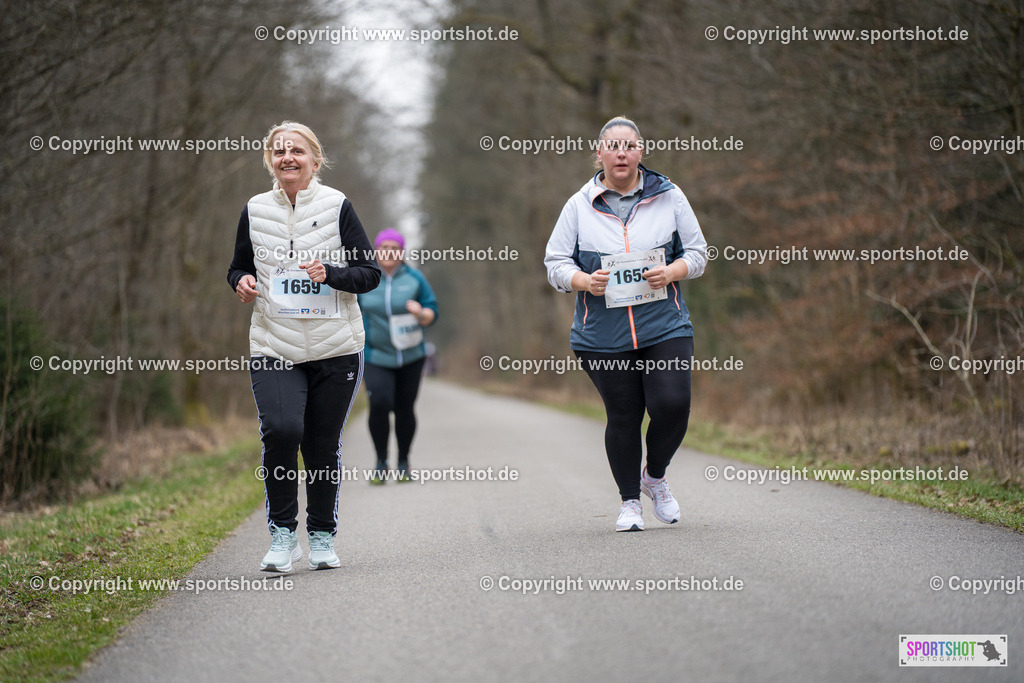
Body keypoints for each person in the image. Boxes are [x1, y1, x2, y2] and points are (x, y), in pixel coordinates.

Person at [227, 121, 381, 570]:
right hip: (275, 343)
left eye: (296, 151)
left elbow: (368, 274)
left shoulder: (337, 207)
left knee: (320, 444)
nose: (287, 158)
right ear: (270, 161)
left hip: (336, 347)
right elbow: (237, 266)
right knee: (281, 430)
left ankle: (320, 536)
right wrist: (242, 281)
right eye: (278, 152)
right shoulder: (255, 210)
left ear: (315, 159)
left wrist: (331, 273)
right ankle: (281, 535)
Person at [544, 115, 708, 532]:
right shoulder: (578, 205)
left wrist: (673, 272)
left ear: (641, 152)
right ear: (598, 153)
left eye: (629, 145)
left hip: (664, 326)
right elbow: (555, 264)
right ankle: (629, 502)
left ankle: (654, 477)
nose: (621, 152)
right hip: (602, 336)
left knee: (672, 405)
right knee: (624, 414)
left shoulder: (669, 196)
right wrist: (584, 280)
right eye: (613, 146)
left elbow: (698, 252)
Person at [357, 229, 438, 484]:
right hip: (375, 354)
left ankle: (403, 462)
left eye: (394, 247)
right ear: (376, 251)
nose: (389, 251)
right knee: (379, 402)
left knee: (405, 408)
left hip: (411, 355)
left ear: (401, 252)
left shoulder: (415, 278)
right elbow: (349, 309)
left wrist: (421, 314)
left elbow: (432, 310)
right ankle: (381, 462)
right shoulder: (367, 278)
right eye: (384, 247)